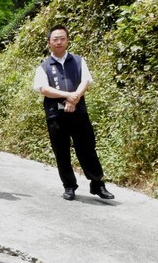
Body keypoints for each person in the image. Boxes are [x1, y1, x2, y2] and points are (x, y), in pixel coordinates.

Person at [32, 24, 115, 201]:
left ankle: (97, 184)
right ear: (49, 43)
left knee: (87, 149)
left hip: (79, 113)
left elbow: (86, 80)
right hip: (56, 115)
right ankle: (69, 186)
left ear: (68, 40)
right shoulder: (44, 66)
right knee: (61, 152)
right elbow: (43, 89)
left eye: (62, 38)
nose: (59, 42)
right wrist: (68, 96)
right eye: (55, 39)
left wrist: (75, 97)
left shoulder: (78, 61)